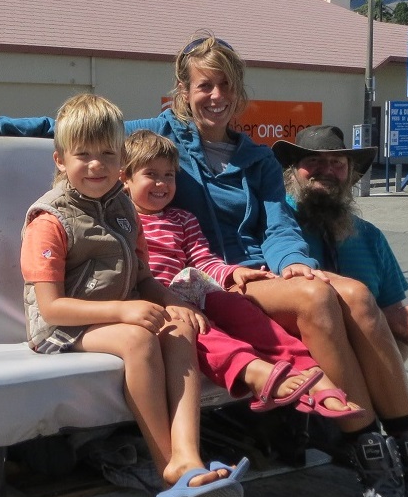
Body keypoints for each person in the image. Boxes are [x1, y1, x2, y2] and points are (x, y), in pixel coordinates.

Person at [0, 33, 408, 497]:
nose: (216, 96)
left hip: (250, 274)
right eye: (205, 85)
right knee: (323, 299)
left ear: (239, 92)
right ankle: (377, 470)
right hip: (198, 280)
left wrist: (294, 264)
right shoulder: (159, 134)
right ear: (184, 91)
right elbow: (68, 132)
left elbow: (279, 226)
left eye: (226, 86)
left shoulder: (256, 159)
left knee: (356, 296)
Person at [21, 93, 248, 497]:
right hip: (62, 328)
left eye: (108, 154)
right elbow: (51, 309)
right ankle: (168, 467)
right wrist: (124, 311)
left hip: (116, 315)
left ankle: (188, 455)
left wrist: (173, 301)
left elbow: (142, 276)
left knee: (179, 329)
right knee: (139, 340)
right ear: (60, 160)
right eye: (83, 154)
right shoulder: (50, 220)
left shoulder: (123, 209)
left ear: (121, 159)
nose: (96, 165)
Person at [121, 129, 361, 419]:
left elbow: (202, 260)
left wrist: (233, 273)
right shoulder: (122, 221)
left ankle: (308, 369)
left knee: (238, 306)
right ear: (125, 179)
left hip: (187, 290)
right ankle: (253, 370)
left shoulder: (183, 219)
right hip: (151, 300)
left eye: (169, 175)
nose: (162, 183)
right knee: (198, 330)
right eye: (151, 174)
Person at [275, 124, 408, 497]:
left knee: (388, 328)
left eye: (337, 163)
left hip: (367, 371)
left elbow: (392, 312)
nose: (327, 171)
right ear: (293, 171)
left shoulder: (368, 235)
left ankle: (407, 467)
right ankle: (385, 467)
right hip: (303, 365)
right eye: (313, 162)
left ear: (350, 174)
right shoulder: (275, 226)